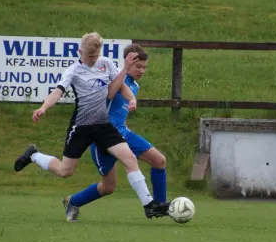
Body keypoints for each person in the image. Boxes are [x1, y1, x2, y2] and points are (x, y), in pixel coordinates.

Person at [13, 32, 169, 220]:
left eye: (95, 56)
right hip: (82, 126)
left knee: (130, 159)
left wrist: (132, 98)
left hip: (104, 127)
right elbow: (58, 92)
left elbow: (121, 87)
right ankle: (34, 155)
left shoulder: (106, 63)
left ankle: (150, 205)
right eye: (89, 57)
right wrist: (44, 107)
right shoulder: (73, 71)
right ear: (80, 52)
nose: (93, 60)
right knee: (66, 171)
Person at [63, 44, 167, 222]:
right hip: (103, 139)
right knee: (108, 186)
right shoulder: (114, 78)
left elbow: (118, 112)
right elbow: (109, 95)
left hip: (123, 134)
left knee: (159, 160)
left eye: (144, 67)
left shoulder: (134, 85)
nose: (142, 70)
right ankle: (73, 201)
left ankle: (159, 206)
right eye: (138, 66)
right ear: (127, 63)